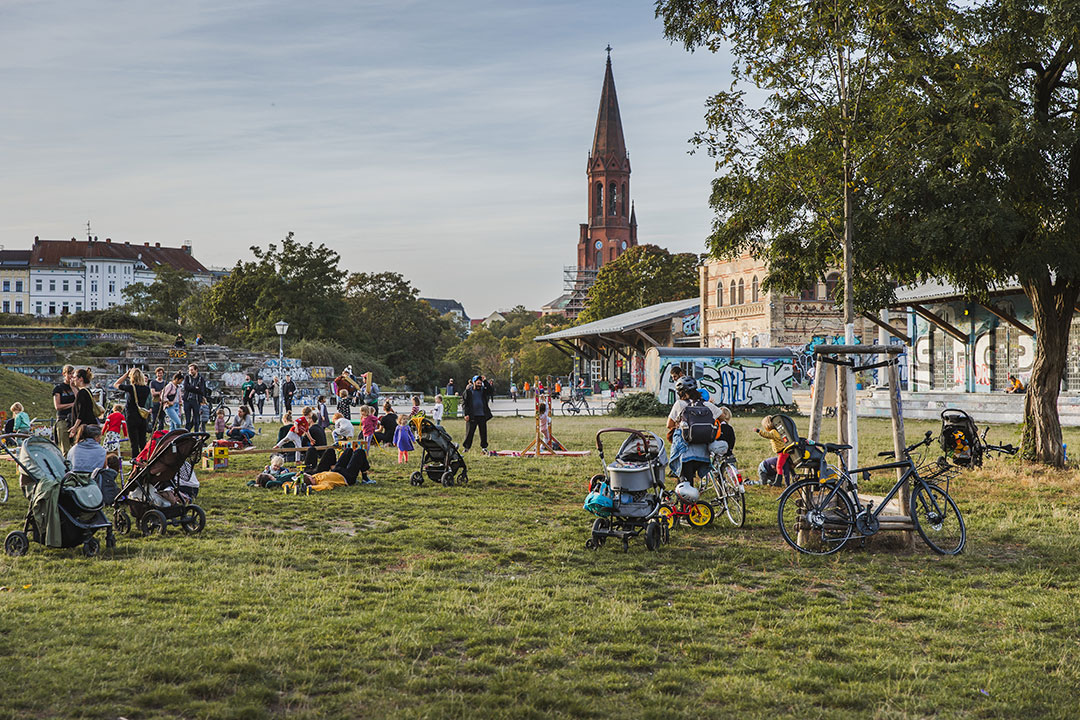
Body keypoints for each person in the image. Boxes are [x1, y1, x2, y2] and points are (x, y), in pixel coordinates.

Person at [665, 376, 722, 481]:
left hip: (686, 452)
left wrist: (679, 425)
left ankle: (685, 496)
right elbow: (722, 416)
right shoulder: (707, 404)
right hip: (703, 453)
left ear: (680, 392)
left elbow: (669, 424)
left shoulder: (680, 404)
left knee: (685, 482)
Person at [299, 444, 373, 491]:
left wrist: (300, 476)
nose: (313, 477)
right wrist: (309, 488)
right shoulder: (323, 483)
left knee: (348, 450)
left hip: (336, 470)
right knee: (360, 452)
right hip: (346, 477)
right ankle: (365, 478)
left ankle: (365, 477)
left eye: (311, 477)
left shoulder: (315, 477)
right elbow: (326, 487)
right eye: (312, 478)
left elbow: (294, 482)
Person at [114, 367, 151, 459]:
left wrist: (126, 374)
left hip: (132, 416)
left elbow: (116, 384)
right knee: (143, 441)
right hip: (142, 416)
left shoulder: (131, 388)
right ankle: (144, 459)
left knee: (134, 443)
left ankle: (135, 460)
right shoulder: (146, 389)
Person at [756, 416, 793, 486]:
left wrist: (759, 431)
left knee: (779, 467)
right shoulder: (778, 431)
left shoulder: (773, 432)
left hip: (782, 452)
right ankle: (788, 483)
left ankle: (778, 482)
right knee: (786, 468)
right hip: (784, 452)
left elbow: (767, 435)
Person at [461, 375, 494, 453]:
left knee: (483, 432)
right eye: (478, 383)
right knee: (469, 432)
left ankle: (484, 447)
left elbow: (491, 391)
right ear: (474, 383)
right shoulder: (468, 391)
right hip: (472, 415)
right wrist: (466, 414)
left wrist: (485, 381)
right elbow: (464, 403)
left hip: (482, 415)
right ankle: (466, 448)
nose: (479, 385)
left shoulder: (483, 390)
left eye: (480, 383)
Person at [69, 367, 101, 443]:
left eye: (75, 377)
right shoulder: (86, 391)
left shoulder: (82, 392)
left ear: (80, 379)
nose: (73, 379)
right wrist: (73, 387)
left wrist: (75, 427)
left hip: (85, 428)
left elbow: (81, 411)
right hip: (91, 425)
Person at [52, 364, 77, 454]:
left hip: (75, 419)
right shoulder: (58, 389)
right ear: (64, 374)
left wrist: (73, 387)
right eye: (69, 374)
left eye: (73, 374)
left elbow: (80, 400)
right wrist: (72, 405)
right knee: (65, 448)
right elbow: (57, 406)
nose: (71, 376)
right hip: (63, 418)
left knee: (76, 446)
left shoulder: (76, 387)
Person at [182, 364, 208, 431]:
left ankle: (196, 435)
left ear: (196, 370)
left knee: (196, 420)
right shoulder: (187, 377)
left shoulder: (201, 379)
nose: (190, 371)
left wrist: (192, 389)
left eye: (192, 370)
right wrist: (195, 388)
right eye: (189, 370)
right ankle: (187, 434)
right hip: (187, 400)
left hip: (196, 401)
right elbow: (186, 387)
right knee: (187, 420)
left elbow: (201, 390)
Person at [148, 366, 168, 432]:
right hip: (155, 402)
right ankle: (153, 433)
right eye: (158, 373)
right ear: (156, 374)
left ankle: (160, 433)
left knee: (162, 419)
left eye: (161, 373)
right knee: (154, 419)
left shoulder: (165, 383)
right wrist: (161, 392)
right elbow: (153, 393)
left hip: (163, 403)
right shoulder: (153, 382)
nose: (160, 374)